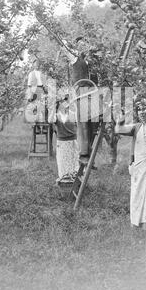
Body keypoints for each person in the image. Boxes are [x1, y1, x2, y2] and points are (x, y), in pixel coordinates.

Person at [115, 106, 146, 248]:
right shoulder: (137, 127)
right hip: (139, 170)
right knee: (140, 202)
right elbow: (119, 130)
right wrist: (120, 121)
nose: (143, 115)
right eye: (141, 112)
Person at [61, 37, 97, 165]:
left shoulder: (89, 62)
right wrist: (65, 41)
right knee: (82, 124)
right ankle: (83, 155)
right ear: (77, 48)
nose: (84, 48)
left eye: (85, 45)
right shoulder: (74, 58)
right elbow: (64, 47)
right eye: (81, 45)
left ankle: (89, 153)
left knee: (92, 125)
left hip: (91, 94)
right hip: (79, 94)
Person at [54, 97, 79, 186]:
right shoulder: (57, 115)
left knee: (73, 161)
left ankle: (72, 180)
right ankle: (65, 181)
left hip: (72, 141)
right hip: (63, 142)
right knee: (64, 162)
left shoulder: (72, 113)